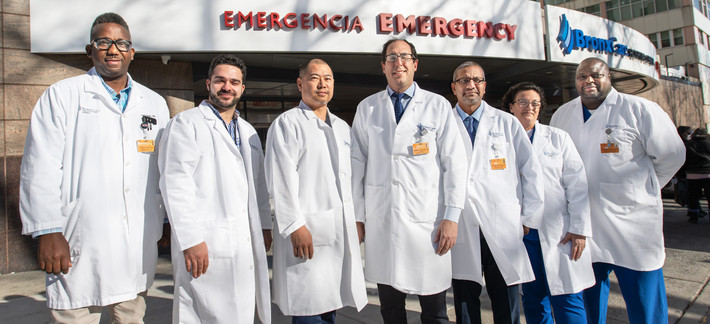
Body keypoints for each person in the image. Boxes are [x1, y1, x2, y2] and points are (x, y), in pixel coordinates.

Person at [19, 12, 169, 323]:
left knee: (130, 316)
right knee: (75, 314)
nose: (113, 49)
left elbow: (162, 169)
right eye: (103, 42)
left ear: (132, 52)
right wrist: (47, 230)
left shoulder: (154, 103)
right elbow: (40, 164)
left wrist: (165, 220)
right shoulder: (63, 95)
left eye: (121, 43)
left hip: (136, 239)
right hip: (79, 236)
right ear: (90, 50)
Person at [550, 57, 685, 324]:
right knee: (587, 301)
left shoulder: (640, 109)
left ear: (609, 77)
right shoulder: (562, 115)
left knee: (645, 303)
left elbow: (673, 155)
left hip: (631, 224)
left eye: (595, 75)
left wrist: (642, 188)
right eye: (581, 76)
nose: (588, 80)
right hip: (582, 226)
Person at [350, 39, 467, 324]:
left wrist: (451, 216)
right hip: (384, 220)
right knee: (391, 310)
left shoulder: (437, 105)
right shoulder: (368, 108)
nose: (398, 63)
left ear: (415, 64)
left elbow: (455, 163)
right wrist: (357, 216)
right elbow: (356, 165)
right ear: (383, 66)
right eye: (391, 58)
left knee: (435, 311)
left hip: (429, 222)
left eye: (404, 57)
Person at [158, 54, 271, 323]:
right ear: (208, 83)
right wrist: (190, 239)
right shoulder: (186, 124)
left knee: (240, 311)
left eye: (234, 82)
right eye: (220, 80)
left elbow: (259, 184)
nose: (227, 87)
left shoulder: (247, 131)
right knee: (202, 312)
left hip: (243, 242)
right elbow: (175, 183)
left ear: (242, 89)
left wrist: (264, 225)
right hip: (204, 243)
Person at [265, 58, 367, 323]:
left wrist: (358, 219)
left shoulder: (344, 128)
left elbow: (353, 180)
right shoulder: (287, 124)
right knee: (309, 310)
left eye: (328, 78)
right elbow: (280, 179)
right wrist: (295, 225)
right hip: (307, 233)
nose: (322, 84)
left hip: (338, 232)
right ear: (300, 84)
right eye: (314, 78)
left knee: (330, 305)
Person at [448, 62, 544, 324]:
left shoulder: (506, 123)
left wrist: (528, 218)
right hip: (461, 222)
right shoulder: (443, 123)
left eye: (477, 80)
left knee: (506, 297)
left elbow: (531, 170)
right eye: (464, 80)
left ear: (485, 86)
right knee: (465, 298)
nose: (471, 85)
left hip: (502, 222)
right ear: (454, 87)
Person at [504, 82, 595, 324]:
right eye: (522, 102)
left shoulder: (558, 138)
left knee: (568, 298)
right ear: (511, 107)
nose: (529, 107)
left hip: (560, 232)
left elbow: (577, 185)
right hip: (522, 233)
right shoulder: (500, 140)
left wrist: (579, 229)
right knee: (534, 300)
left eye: (535, 103)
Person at [684, 128, 710, 223]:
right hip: (708, 173)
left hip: (692, 174)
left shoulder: (688, 145)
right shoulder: (708, 143)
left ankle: (693, 216)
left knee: (693, 196)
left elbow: (684, 160)